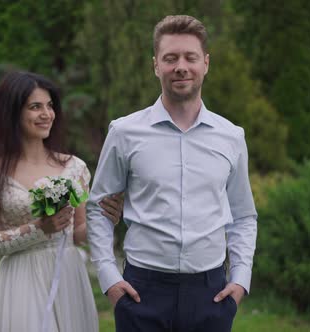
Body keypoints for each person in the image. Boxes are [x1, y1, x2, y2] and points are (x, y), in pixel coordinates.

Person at [86, 15, 258, 332]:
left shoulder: (231, 137)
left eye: (190, 57)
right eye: (170, 58)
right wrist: (109, 278)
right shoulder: (125, 132)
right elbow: (97, 209)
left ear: (205, 63)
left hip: (212, 295)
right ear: (156, 65)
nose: (181, 66)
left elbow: (243, 215)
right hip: (141, 293)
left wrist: (241, 280)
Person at [0, 71, 123, 332]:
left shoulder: (74, 168)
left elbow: (78, 234)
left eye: (50, 106)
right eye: (35, 107)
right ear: (12, 113)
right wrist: (40, 230)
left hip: (68, 276)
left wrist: (108, 217)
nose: (47, 114)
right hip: (21, 279)